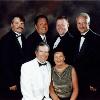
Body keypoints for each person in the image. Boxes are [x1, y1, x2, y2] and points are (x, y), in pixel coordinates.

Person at [73, 12, 100, 99]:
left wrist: (94, 82)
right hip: (77, 84)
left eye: (84, 23)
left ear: (88, 23)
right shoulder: (75, 39)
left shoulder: (97, 39)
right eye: (79, 23)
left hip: (91, 85)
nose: (81, 26)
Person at [0, 15, 26, 100]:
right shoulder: (5, 40)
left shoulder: (23, 38)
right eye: (17, 23)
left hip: (22, 80)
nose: (20, 25)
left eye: (22, 23)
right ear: (12, 25)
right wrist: (11, 82)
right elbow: (4, 63)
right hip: (11, 82)